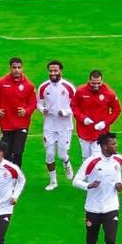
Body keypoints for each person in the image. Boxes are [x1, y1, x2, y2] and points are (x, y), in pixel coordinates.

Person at [72, 132, 122, 244]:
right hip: (93, 208)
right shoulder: (92, 161)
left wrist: (119, 185)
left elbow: (117, 176)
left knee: (111, 241)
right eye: (112, 144)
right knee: (91, 242)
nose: (115, 146)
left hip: (111, 207)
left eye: (115, 143)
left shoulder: (118, 159)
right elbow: (76, 181)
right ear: (103, 146)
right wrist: (88, 185)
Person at [0, 57, 37, 167]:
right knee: (7, 153)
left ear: (22, 68)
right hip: (6, 124)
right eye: (14, 67)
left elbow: (33, 103)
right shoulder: (1, 83)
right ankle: (8, 176)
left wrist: (26, 111)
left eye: (19, 67)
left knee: (18, 152)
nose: (16, 70)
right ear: (10, 68)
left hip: (22, 124)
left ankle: (17, 177)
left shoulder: (28, 85)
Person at [36, 60, 76, 191]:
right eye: (51, 71)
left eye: (55, 70)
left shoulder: (68, 87)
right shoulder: (43, 87)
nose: (53, 73)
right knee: (49, 155)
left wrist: (65, 112)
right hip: (49, 126)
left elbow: (76, 106)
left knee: (62, 155)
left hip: (65, 126)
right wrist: (43, 110)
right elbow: (39, 104)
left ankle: (66, 162)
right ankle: (53, 181)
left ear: (60, 71)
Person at [72, 70, 122, 162]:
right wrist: (83, 118)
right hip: (84, 132)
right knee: (86, 159)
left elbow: (117, 110)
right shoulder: (80, 91)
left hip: (101, 133)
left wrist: (105, 123)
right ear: (89, 80)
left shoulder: (109, 93)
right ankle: (88, 176)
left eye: (98, 83)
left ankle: (97, 176)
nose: (96, 86)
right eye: (93, 83)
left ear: (102, 81)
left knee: (97, 159)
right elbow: (74, 106)